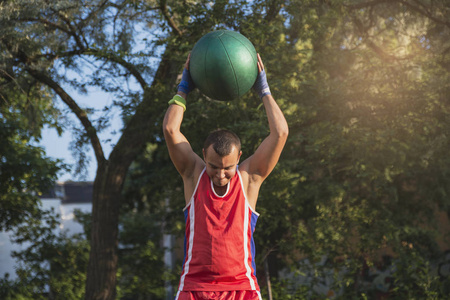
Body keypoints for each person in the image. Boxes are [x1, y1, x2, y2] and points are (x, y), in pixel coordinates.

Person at [163, 53, 289, 300]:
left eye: (227, 168)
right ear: (203, 156)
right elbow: (170, 129)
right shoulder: (193, 174)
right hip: (195, 288)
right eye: (213, 166)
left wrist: (264, 89)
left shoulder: (249, 178)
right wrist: (184, 87)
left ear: (239, 157)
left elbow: (281, 132)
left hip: (242, 289)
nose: (220, 174)